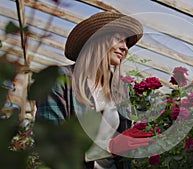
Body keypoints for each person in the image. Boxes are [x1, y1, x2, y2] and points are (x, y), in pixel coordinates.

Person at [35, 12, 153, 169]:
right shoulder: (61, 80)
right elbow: (49, 142)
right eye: (119, 39)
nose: (125, 47)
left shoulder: (120, 90)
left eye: (127, 42)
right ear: (97, 40)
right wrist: (109, 147)